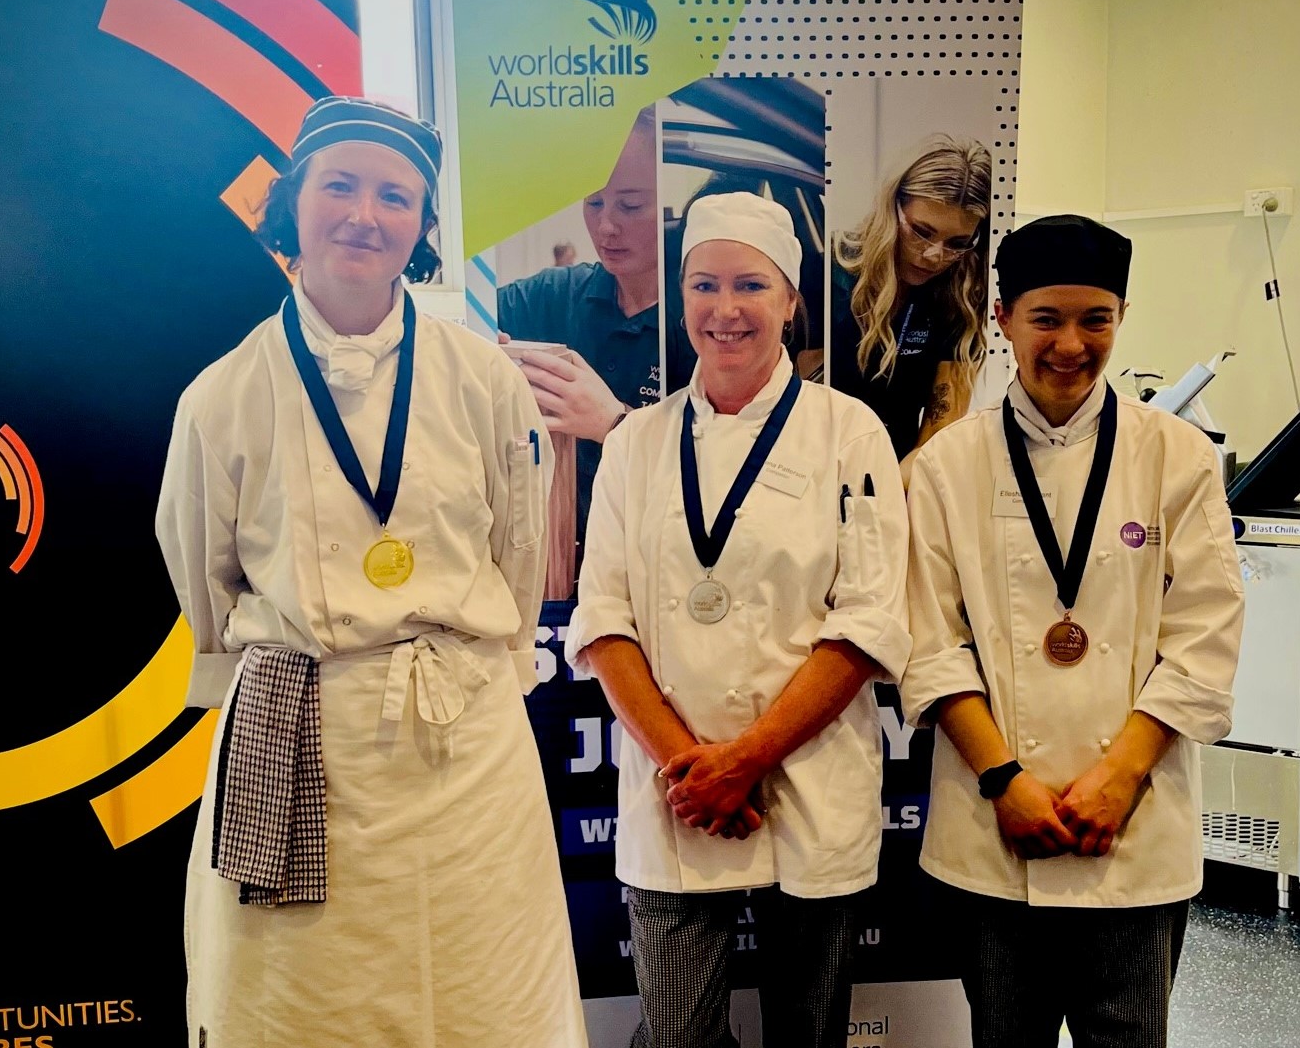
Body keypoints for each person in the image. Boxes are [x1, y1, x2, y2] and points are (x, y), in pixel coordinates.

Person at [155, 96, 587, 1047]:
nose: (364, 213)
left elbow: (518, 561)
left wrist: (479, 658)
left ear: (422, 228)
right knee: (301, 1005)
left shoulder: (485, 379)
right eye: (339, 185)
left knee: (487, 996)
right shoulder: (221, 395)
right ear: (293, 207)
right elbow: (202, 580)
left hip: (464, 737)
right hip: (301, 731)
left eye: (396, 196)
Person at [565, 192, 909, 1048]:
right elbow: (604, 620)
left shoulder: (847, 432)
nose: (725, 310)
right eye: (704, 285)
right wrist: (694, 767)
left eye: (750, 285)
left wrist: (745, 759)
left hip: (809, 780)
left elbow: (866, 622)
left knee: (810, 1031)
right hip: (672, 788)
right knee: (678, 1035)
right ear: (679, 299)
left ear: (791, 298)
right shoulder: (636, 443)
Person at [900, 215, 1244, 1048]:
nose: (1069, 344)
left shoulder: (1177, 456)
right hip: (993, 829)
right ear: (1001, 317)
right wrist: (1004, 781)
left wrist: (1117, 777)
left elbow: (1203, 633)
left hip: (1132, 828)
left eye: (1095, 319)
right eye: (1045, 318)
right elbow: (926, 641)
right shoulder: (946, 466)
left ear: (1120, 316)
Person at [498, 108, 677, 569]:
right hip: (560, 569)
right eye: (593, 203)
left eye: (631, 205)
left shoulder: (707, 320)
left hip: (662, 569)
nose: (606, 226)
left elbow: (728, 464)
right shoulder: (555, 297)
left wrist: (614, 425)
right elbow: (454, 321)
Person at [829, 134, 992, 471]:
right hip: (815, 469)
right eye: (921, 231)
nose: (935, 255)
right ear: (893, 207)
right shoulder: (831, 274)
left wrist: (890, 498)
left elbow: (937, 436)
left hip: (898, 476)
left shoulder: (959, 299)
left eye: (957, 242)